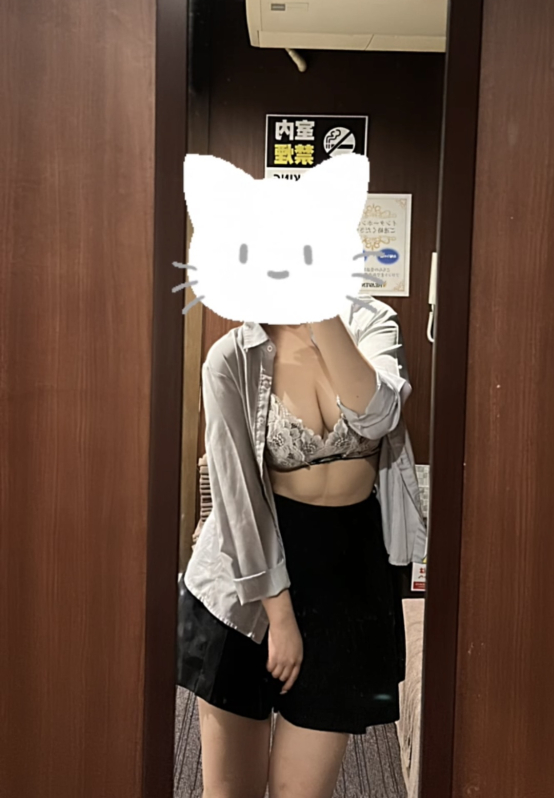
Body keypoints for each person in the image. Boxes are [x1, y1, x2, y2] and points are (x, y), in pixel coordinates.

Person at [177, 295, 426, 798]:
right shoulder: (231, 357)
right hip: (247, 581)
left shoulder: (372, 322)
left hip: (347, 578)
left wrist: (322, 310)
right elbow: (237, 498)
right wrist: (281, 616)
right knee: (231, 793)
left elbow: (379, 416)